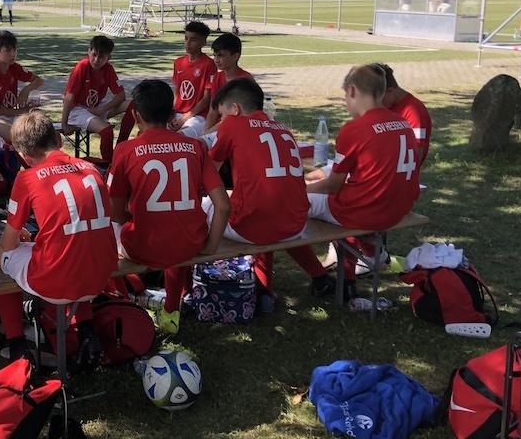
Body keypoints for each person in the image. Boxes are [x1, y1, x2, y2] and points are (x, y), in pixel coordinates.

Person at [0, 110, 118, 371]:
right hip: (102, 273)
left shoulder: (27, 178)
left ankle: (17, 344)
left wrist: (7, 241)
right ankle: (86, 329)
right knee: (77, 247)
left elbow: (9, 244)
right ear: (58, 140)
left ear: (23, 156)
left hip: (57, 281)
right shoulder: (92, 168)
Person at [107, 80, 229, 334]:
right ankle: (172, 309)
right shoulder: (195, 146)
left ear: (135, 115)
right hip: (191, 241)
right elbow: (223, 205)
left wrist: (135, 217)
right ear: (173, 114)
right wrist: (210, 246)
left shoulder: (125, 150)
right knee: (178, 225)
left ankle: (121, 300)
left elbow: (114, 212)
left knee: (100, 228)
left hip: (143, 247)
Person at [205, 78, 335, 311]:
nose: (222, 121)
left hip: (256, 226)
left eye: (222, 115)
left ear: (235, 109)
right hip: (295, 224)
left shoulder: (233, 124)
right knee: (272, 208)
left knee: (204, 204)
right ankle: (316, 276)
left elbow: (207, 175)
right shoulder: (283, 129)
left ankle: (185, 287)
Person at [305, 64, 421, 299]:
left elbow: (332, 186)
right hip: (399, 208)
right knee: (334, 189)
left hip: (366, 212)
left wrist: (302, 188)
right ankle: (355, 271)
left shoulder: (354, 129)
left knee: (285, 203)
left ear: (352, 90)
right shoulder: (403, 124)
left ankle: (318, 278)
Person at [59, 35, 131, 164]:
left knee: (132, 104)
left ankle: (121, 147)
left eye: (101, 57)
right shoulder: (82, 66)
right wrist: (64, 123)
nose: (96, 60)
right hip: (77, 109)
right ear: (89, 52)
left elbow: (121, 95)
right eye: (94, 55)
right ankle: (109, 165)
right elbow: (70, 96)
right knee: (107, 130)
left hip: (95, 107)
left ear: (108, 58)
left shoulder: (108, 68)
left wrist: (102, 109)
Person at [0, 29, 45, 142]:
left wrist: (26, 91)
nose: (13, 54)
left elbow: (39, 81)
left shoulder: (14, 68)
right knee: (18, 136)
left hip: (10, 114)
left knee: (41, 126)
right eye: (8, 50)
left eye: (14, 50)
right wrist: (22, 111)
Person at [377, 63, 432, 165]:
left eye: (377, 99)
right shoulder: (387, 106)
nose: (375, 105)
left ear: (390, 92)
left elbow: (415, 157)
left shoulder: (414, 111)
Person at [169, 21, 216, 139]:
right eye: (186, 38)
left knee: (181, 136)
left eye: (193, 40)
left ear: (203, 42)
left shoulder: (208, 64)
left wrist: (183, 120)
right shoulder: (178, 62)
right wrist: (171, 115)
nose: (188, 43)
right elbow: (177, 93)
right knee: (156, 131)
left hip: (197, 115)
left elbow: (206, 99)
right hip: (178, 113)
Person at [202, 32, 254, 137]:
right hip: (218, 124)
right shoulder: (217, 77)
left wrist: (207, 135)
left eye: (220, 56)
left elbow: (236, 116)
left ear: (235, 56)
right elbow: (213, 110)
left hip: (236, 127)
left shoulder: (245, 80)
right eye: (214, 55)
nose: (216, 60)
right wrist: (206, 132)